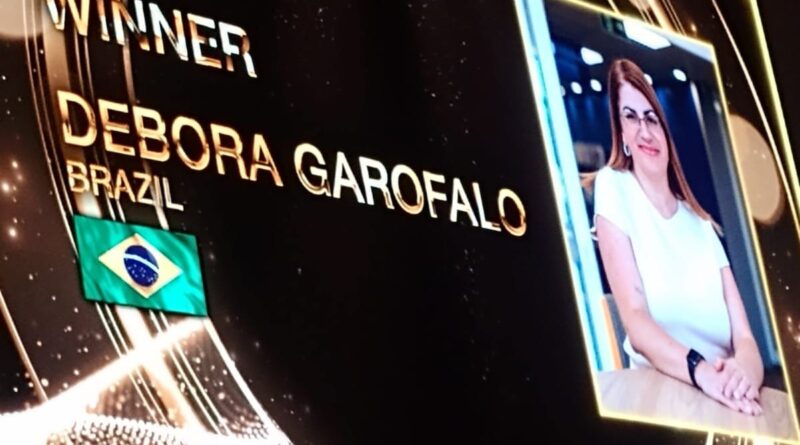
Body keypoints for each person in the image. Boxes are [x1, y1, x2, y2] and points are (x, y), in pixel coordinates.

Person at [593, 59, 764, 415]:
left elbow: (745, 338)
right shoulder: (613, 187)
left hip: (722, 401)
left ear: (665, 129)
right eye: (631, 117)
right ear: (621, 133)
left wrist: (744, 375)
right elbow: (636, 322)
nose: (645, 131)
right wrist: (701, 372)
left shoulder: (699, 222)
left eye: (651, 118)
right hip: (661, 403)